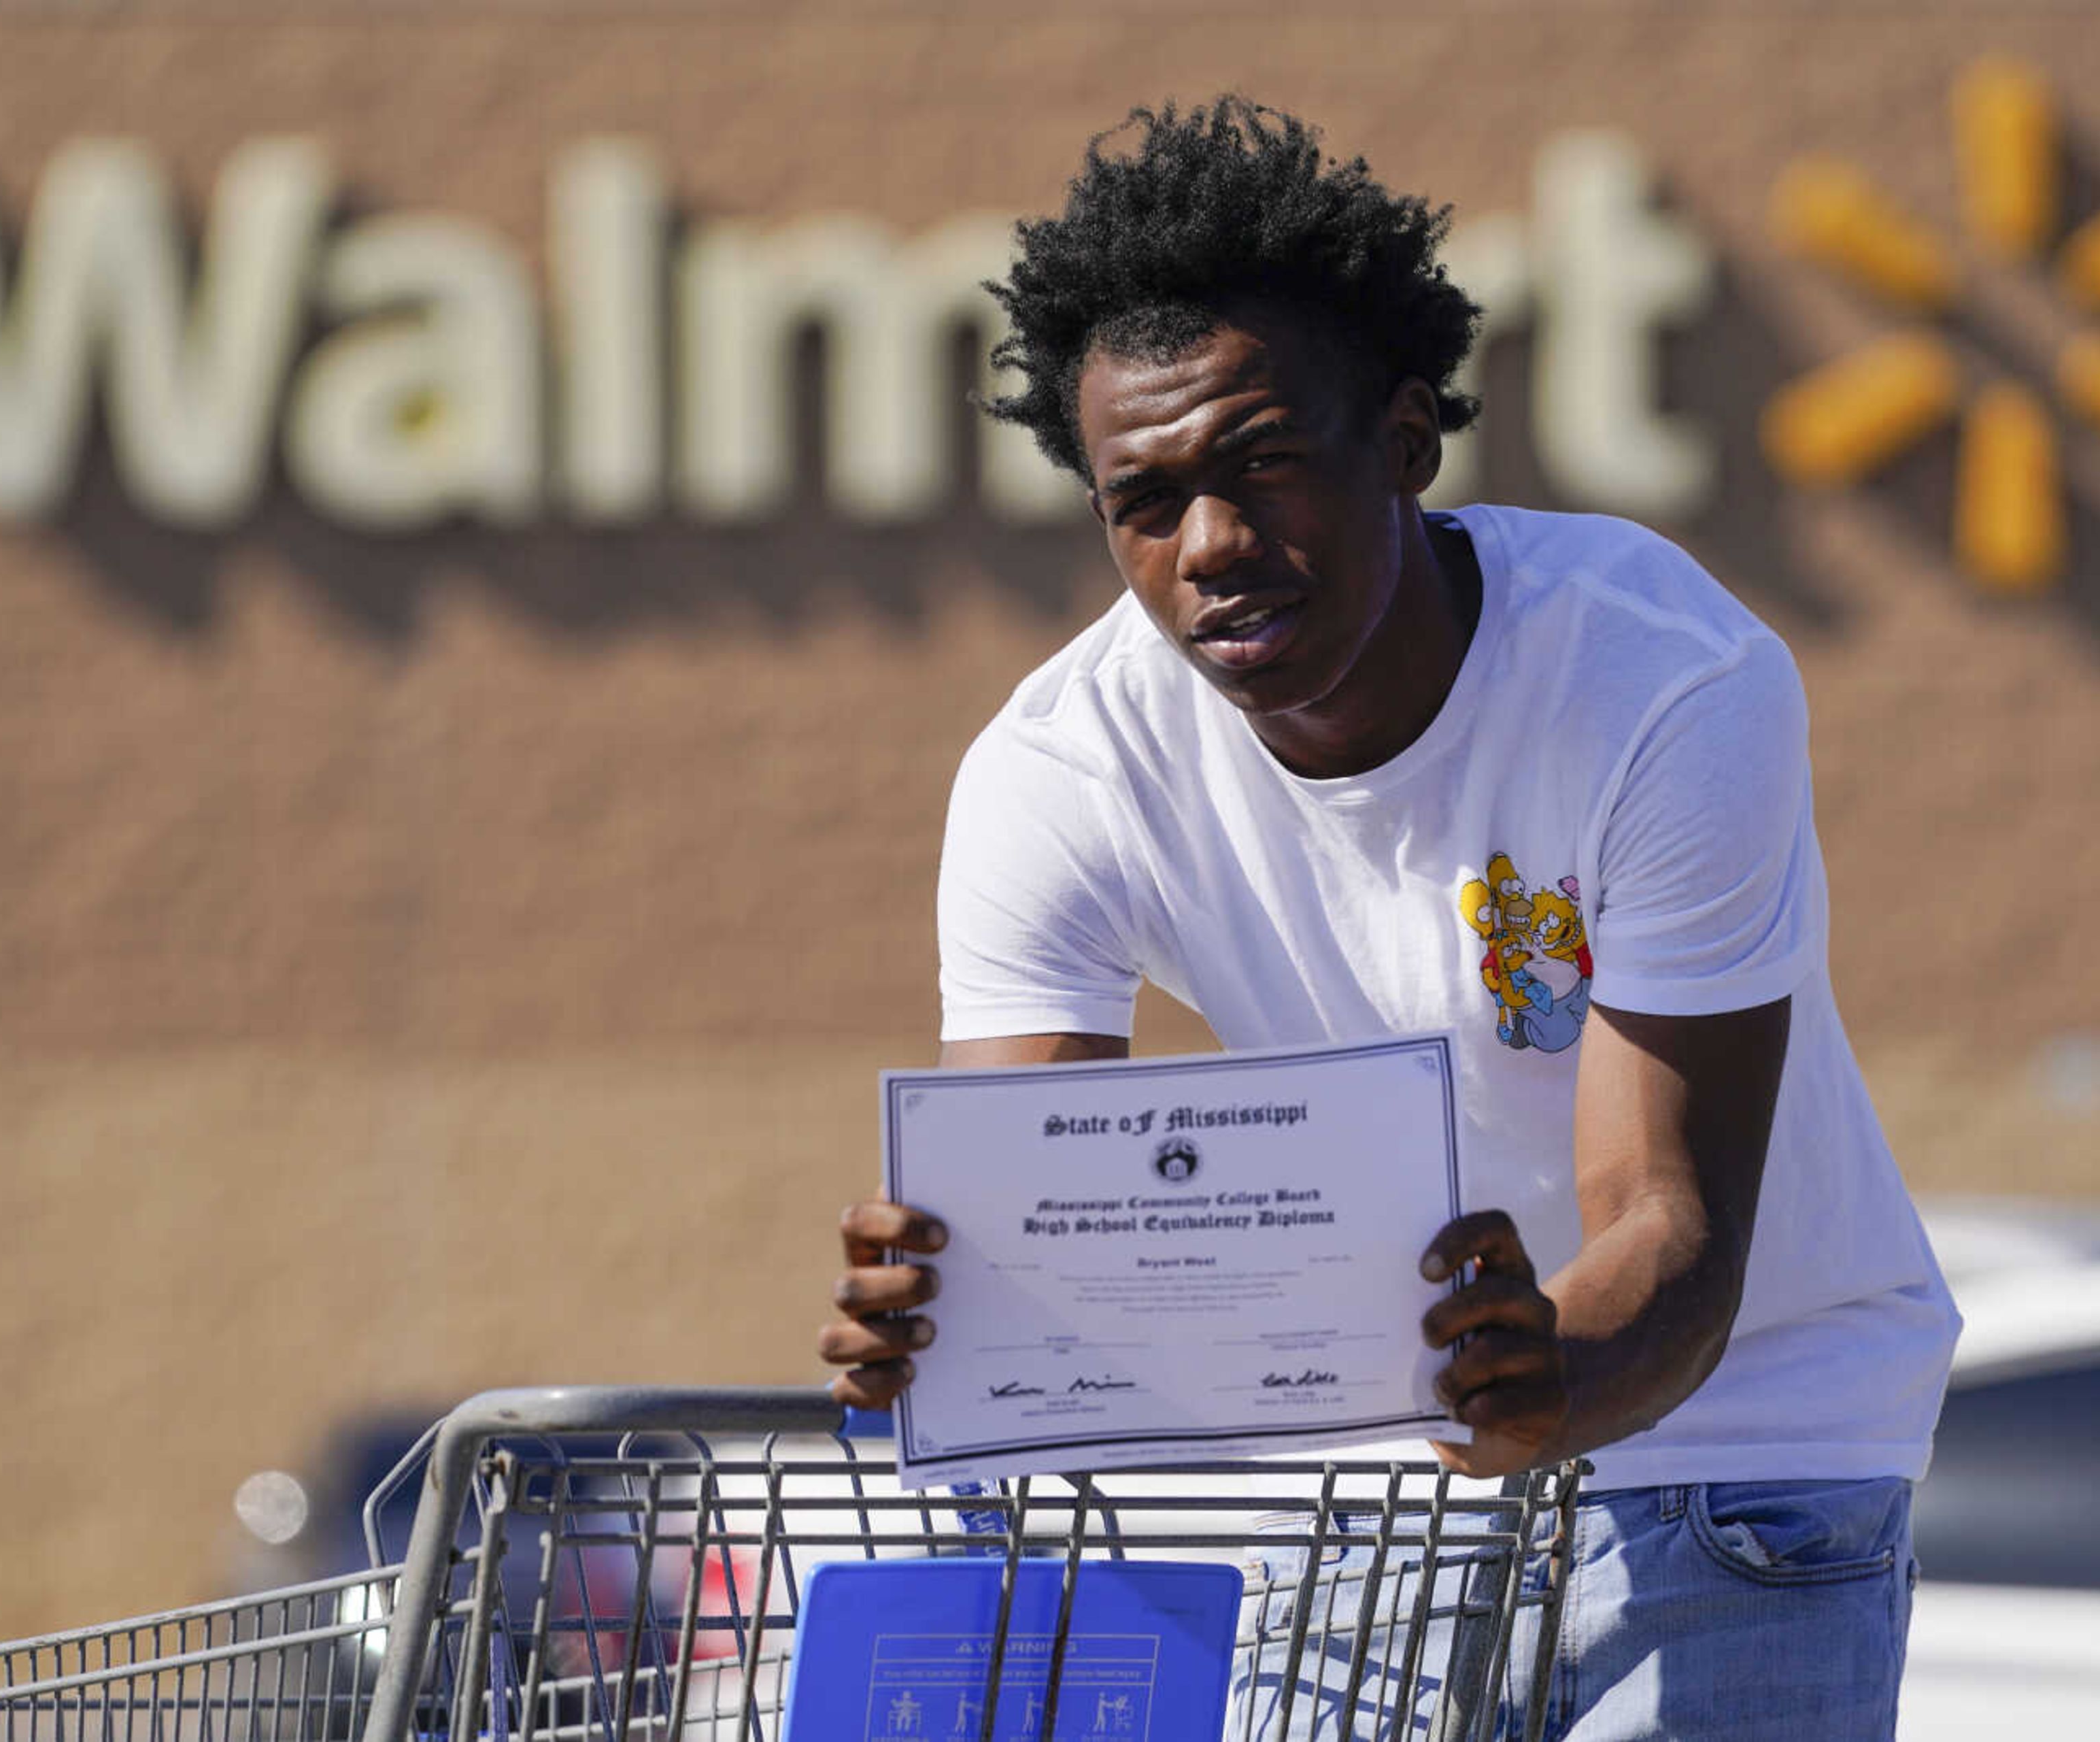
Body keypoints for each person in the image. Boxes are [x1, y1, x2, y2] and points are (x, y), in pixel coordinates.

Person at [815, 99, 1959, 1739]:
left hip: (1741, 1441)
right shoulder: (1062, 768)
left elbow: (1666, 1221)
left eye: (1265, 461)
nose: (1210, 546)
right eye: (1144, 501)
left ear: (1410, 440)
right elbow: (1031, 1181)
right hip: (1362, 1470)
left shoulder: (1659, 678)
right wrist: (946, 1304)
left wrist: (1534, 1375)